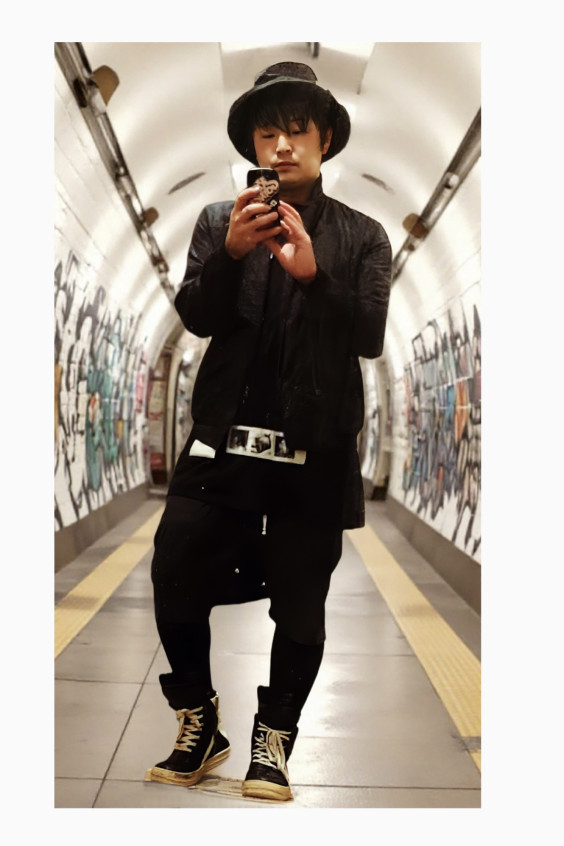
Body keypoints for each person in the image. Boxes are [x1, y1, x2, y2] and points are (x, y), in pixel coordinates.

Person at [145, 61, 392, 802]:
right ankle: (199, 723)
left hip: (315, 449)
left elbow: (370, 336)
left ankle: (273, 743)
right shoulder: (217, 222)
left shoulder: (364, 236)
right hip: (222, 440)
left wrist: (316, 277)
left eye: (296, 131)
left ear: (324, 141)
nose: (281, 146)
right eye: (266, 134)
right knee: (172, 571)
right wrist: (230, 256)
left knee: (301, 605)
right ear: (252, 146)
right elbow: (198, 317)